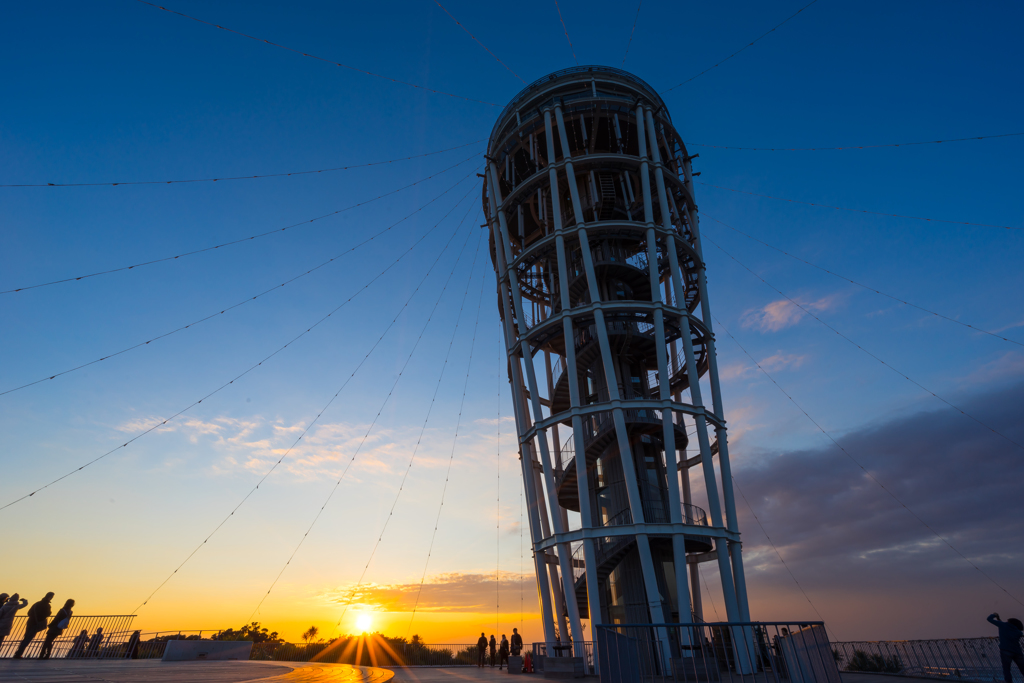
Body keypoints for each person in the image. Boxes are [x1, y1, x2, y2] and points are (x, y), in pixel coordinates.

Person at [13, 592, 54, 658]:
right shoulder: (47, 605)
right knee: (28, 638)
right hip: (36, 624)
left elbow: (29, 613)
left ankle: (18, 653)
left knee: (26, 637)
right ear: (50, 597)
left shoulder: (36, 604)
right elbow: (47, 614)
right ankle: (18, 654)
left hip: (30, 622)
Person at [988, 613, 1024, 683]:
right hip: (1017, 652)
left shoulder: (1003, 625)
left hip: (1005, 651)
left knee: (1006, 669)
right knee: (1022, 668)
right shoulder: (1019, 632)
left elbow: (989, 619)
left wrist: (994, 615)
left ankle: (1009, 681)